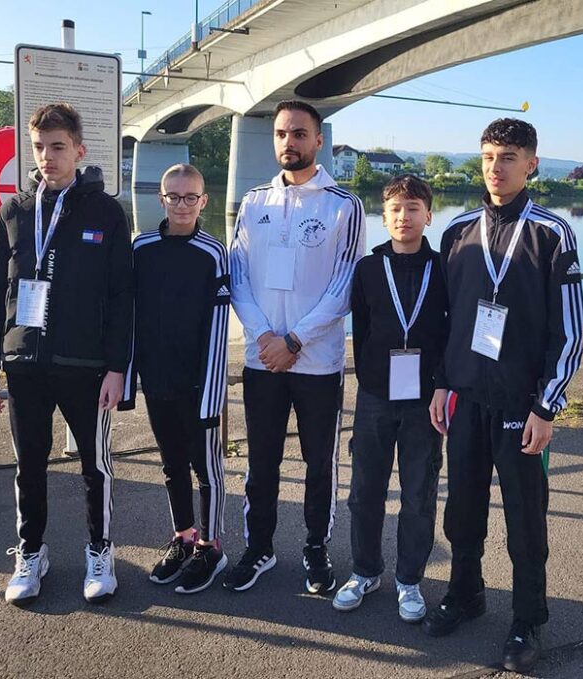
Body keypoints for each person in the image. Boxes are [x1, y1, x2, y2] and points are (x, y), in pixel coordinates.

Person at [423, 118, 583, 674]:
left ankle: (527, 619)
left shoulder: (552, 233)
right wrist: (443, 382)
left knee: (525, 518)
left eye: (510, 156)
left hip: (521, 405)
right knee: (462, 510)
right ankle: (466, 593)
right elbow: (446, 319)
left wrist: (547, 405)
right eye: (489, 155)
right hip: (466, 398)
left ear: (532, 163)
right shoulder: (457, 232)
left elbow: (571, 330)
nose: (497, 167)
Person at [0, 102, 133, 605]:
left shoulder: (106, 211)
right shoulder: (15, 211)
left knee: (95, 466)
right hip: (25, 364)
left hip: (87, 367)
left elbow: (121, 295)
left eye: (58, 147)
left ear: (79, 150)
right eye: (40, 147)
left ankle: (100, 550)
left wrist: (117, 368)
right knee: (30, 466)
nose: (47, 156)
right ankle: (31, 552)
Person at [224, 100, 364, 594]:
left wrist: (295, 340)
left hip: (317, 362)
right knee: (260, 461)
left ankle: (315, 548)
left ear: (318, 141)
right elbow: (237, 275)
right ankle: (259, 547)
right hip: (262, 358)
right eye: (282, 134)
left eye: (300, 134)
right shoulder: (254, 201)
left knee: (318, 462)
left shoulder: (343, 205)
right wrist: (265, 337)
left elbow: (345, 285)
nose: (290, 142)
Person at [332, 175, 447, 622]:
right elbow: (360, 327)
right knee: (365, 492)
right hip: (377, 395)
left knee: (419, 493)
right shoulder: (366, 268)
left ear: (428, 216)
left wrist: (442, 381)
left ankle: (409, 581)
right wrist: (369, 377)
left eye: (414, 208)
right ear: (384, 217)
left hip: (424, 399)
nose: (404, 216)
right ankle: (365, 571)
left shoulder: (445, 267)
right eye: (396, 209)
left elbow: (450, 329)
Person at [119, 163, 230, 595]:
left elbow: (220, 326)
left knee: (207, 468)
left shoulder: (213, 252)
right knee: (171, 464)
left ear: (204, 201)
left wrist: (213, 390)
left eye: (191, 197)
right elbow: (128, 316)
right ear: (161, 200)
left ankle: (211, 545)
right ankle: (183, 536)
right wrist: (129, 380)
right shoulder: (141, 247)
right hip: (158, 378)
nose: (182, 204)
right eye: (173, 196)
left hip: (199, 383)